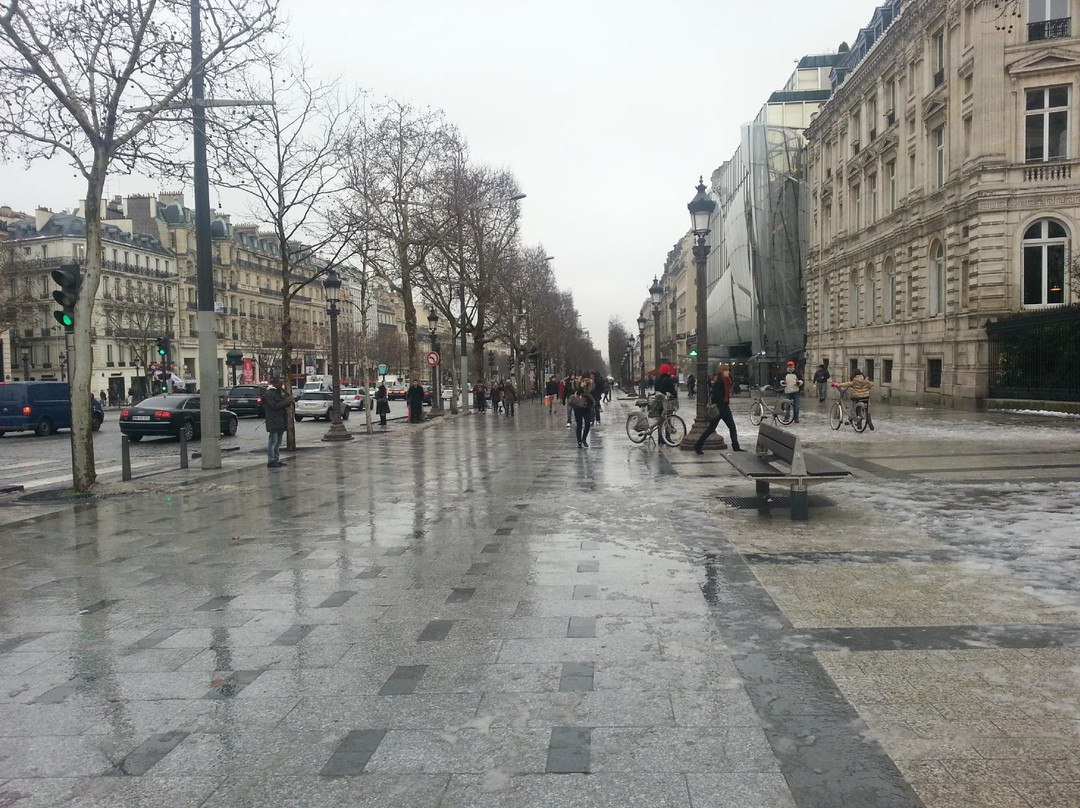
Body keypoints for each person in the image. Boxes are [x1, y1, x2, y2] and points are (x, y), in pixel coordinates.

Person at [694, 364, 741, 454]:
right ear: (722, 372)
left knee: (714, 429)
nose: (728, 372)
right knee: (724, 428)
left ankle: (698, 446)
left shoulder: (727, 381)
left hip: (724, 407)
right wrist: (722, 409)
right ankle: (698, 446)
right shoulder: (719, 382)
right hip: (720, 409)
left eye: (728, 370)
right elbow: (716, 397)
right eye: (726, 370)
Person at [263, 377, 292, 467]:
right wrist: (285, 402)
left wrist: (288, 402)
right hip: (273, 421)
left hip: (280, 421)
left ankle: (276, 458)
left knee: (278, 442)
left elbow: (282, 404)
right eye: (280, 383)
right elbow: (274, 406)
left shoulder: (279, 392)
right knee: (273, 441)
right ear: (275, 383)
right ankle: (271, 460)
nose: (281, 385)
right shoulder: (269, 394)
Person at [570, 374, 596, 448]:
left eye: (587, 379)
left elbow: (593, 394)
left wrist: (597, 405)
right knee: (579, 425)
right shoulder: (576, 384)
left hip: (587, 407)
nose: (586, 381)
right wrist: (581, 386)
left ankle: (584, 439)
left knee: (587, 424)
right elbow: (577, 393)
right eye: (584, 379)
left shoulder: (591, 385)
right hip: (578, 407)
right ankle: (579, 442)